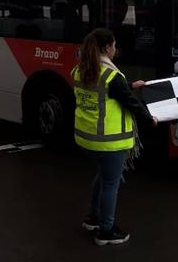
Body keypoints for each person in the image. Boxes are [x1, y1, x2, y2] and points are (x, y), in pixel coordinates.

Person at [71, 28, 156, 246]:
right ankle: (106, 231)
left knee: (103, 177)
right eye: (114, 45)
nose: (115, 49)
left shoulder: (80, 70)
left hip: (85, 139)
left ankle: (92, 218)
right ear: (107, 48)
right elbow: (130, 102)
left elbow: (105, 92)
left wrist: (130, 86)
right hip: (109, 141)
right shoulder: (111, 75)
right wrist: (150, 119)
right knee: (111, 183)